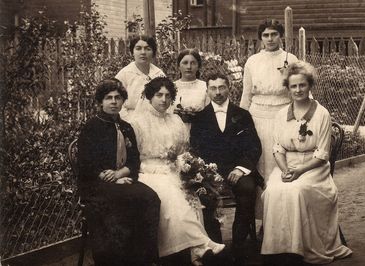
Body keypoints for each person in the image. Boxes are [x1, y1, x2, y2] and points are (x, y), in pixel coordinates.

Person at [261, 61, 352, 265]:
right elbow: (277, 148)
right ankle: (278, 249)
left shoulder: (322, 114)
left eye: (302, 85)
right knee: (272, 190)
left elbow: (322, 154)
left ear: (310, 85)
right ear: (288, 89)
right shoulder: (281, 114)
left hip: (314, 167)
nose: (298, 90)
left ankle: (299, 248)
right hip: (287, 165)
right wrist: (285, 170)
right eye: (293, 86)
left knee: (297, 190)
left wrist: (300, 170)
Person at [129, 77, 225, 266]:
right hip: (149, 172)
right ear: (149, 97)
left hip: (174, 169)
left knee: (192, 195)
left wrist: (188, 168)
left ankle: (194, 252)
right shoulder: (137, 122)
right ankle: (201, 245)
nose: (164, 100)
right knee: (173, 196)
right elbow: (134, 156)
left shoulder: (176, 120)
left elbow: (183, 151)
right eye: (159, 95)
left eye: (168, 95)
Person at [77, 78, 160, 266]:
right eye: (108, 98)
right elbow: (86, 162)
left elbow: (134, 160)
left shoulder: (127, 127)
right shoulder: (91, 128)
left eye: (118, 98)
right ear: (100, 102)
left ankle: (144, 258)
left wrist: (120, 174)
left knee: (150, 197)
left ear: (123, 101)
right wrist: (110, 179)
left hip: (122, 178)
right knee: (123, 200)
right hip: (96, 183)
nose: (114, 102)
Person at [190, 73, 262, 265]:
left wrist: (240, 169)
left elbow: (254, 147)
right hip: (210, 172)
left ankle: (239, 246)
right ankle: (217, 247)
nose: (218, 92)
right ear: (207, 91)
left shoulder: (242, 115)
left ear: (229, 88)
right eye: (213, 88)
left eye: (222, 87)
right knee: (204, 195)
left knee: (248, 189)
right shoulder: (200, 118)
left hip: (237, 169)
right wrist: (206, 173)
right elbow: (195, 150)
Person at [240, 19, 298, 217]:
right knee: (260, 165)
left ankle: (280, 218)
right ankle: (261, 216)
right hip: (257, 118)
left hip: (283, 117)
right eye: (266, 35)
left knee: (280, 163)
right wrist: (240, 122)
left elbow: (299, 91)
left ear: (281, 36)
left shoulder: (291, 60)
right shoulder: (253, 61)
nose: (270, 39)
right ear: (260, 38)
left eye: (274, 34)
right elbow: (246, 94)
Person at [115, 35, 165, 120]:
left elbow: (167, 100)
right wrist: (128, 123)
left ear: (153, 52)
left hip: (156, 120)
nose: (143, 52)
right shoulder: (124, 74)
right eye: (138, 48)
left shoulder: (159, 74)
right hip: (130, 121)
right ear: (132, 52)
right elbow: (116, 102)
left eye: (147, 49)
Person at [173, 49, 210, 130]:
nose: (189, 67)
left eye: (193, 63)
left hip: (199, 131)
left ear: (198, 66)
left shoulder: (205, 87)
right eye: (185, 63)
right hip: (175, 131)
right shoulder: (171, 87)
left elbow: (210, 115)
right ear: (178, 66)